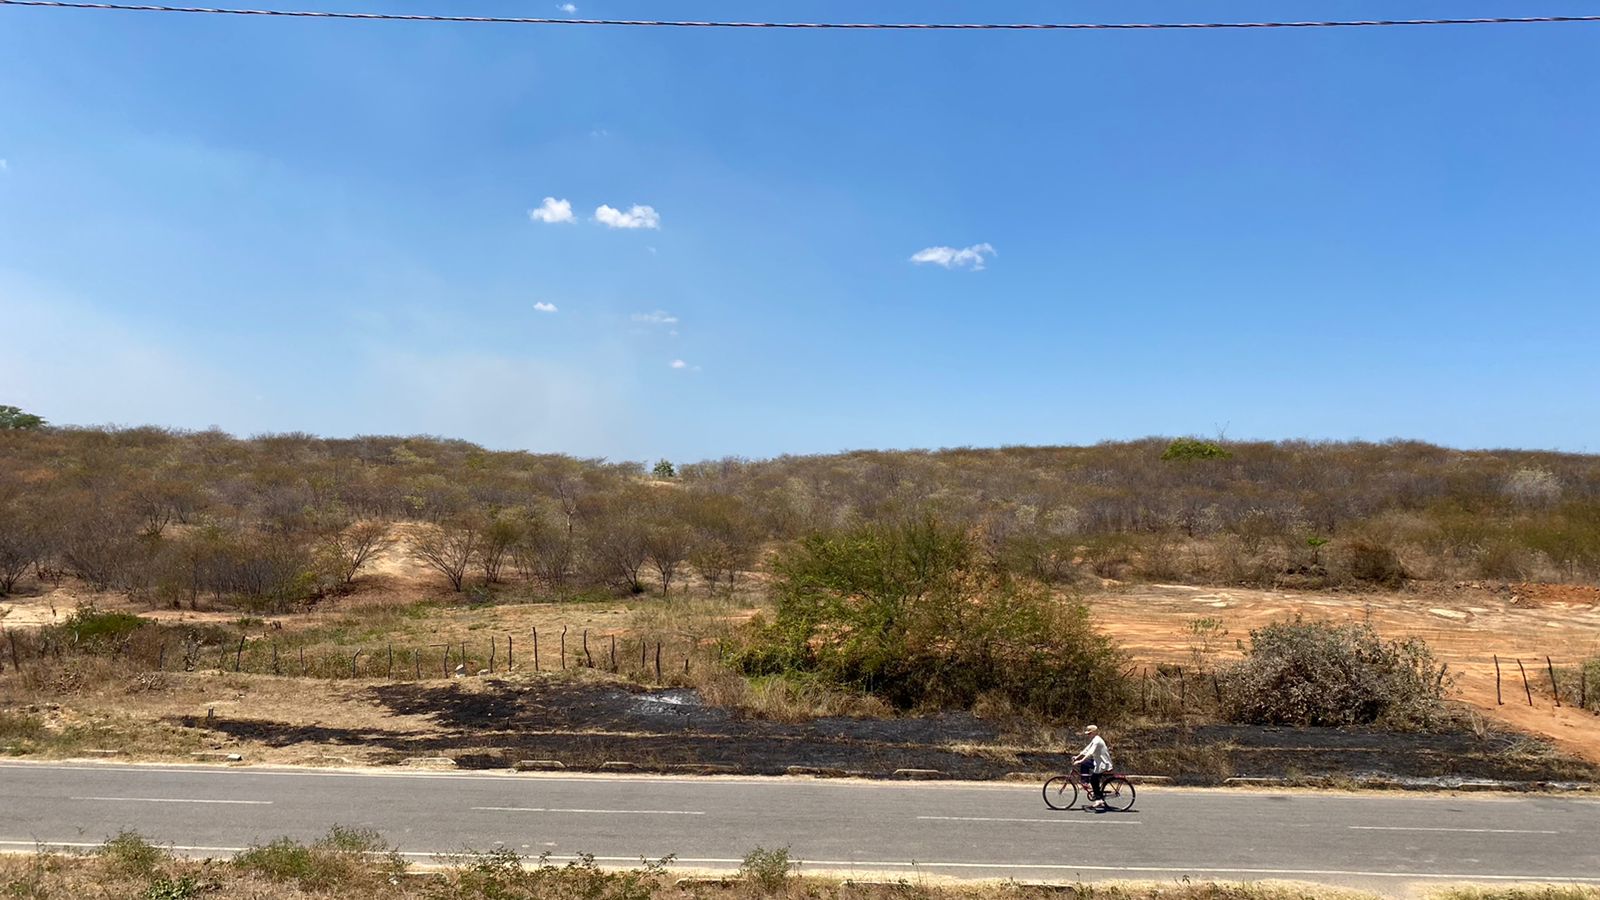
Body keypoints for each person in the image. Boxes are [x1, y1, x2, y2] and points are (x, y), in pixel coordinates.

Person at [1072, 724, 1113, 810]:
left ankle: (1099, 800)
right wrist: (1077, 756)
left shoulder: (1097, 741)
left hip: (1103, 764)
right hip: (1097, 762)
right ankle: (1085, 783)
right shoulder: (1094, 740)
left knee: (1094, 779)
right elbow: (1086, 749)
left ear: (1094, 732)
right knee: (1085, 764)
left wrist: (1080, 760)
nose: (1088, 735)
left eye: (1089, 733)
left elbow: (1090, 753)